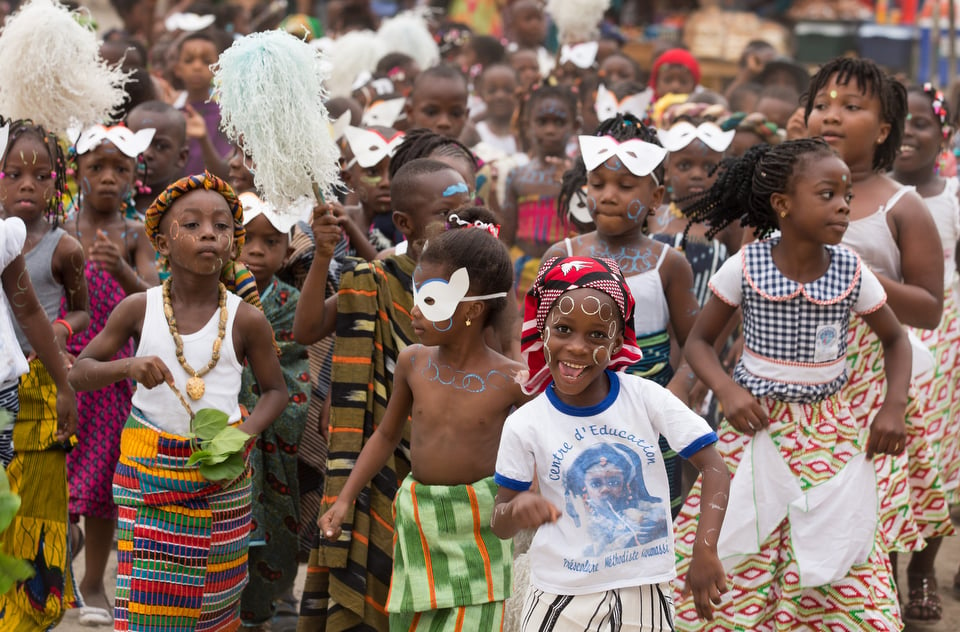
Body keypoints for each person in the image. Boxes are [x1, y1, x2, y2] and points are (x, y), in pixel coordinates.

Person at [671, 138, 911, 630]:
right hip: (754, 426)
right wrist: (728, 391)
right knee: (746, 544)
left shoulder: (850, 271)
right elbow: (700, 343)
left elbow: (896, 340)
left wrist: (894, 405)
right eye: (828, 193)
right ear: (782, 204)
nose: (844, 204)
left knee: (837, 544)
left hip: (830, 435)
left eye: (847, 195)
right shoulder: (747, 265)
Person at [68, 172, 287, 631]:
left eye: (222, 226)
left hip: (220, 485)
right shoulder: (138, 309)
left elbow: (275, 392)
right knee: (146, 605)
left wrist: (240, 435)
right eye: (191, 225)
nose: (209, 233)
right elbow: (81, 371)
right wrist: (128, 367)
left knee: (214, 608)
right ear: (162, 244)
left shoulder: (247, 320)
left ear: (232, 242)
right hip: (147, 484)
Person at [492, 256, 728, 630]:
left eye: (597, 335)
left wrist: (704, 549)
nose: (577, 347)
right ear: (543, 330)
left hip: (644, 593)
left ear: (617, 340)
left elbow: (715, 467)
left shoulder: (646, 398)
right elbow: (500, 522)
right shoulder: (525, 423)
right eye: (564, 329)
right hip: (559, 599)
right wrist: (516, 510)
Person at [295, 159, 473, 632]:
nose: (460, 222)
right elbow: (306, 328)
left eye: (466, 209)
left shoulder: (480, 285)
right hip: (378, 465)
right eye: (446, 212)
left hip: (451, 463)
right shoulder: (376, 277)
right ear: (405, 223)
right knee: (371, 578)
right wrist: (320, 257)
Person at [319, 226, 524, 629]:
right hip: (420, 523)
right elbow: (387, 435)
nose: (414, 310)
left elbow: (553, 442)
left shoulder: (512, 381)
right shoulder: (414, 362)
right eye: (416, 295)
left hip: (481, 528)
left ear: (471, 309)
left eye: (430, 299)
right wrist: (343, 499)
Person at [805, 57, 954, 590]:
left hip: (873, 381)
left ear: (884, 128)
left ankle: (878, 601)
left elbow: (928, 307)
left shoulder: (901, 205)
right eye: (821, 105)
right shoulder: (785, 196)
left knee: (871, 510)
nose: (831, 116)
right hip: (799, 377)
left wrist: (858, 277)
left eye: (851, 107)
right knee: (804, 505)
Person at [550, 114, 700, 516]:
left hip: (649, 415)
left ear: (655, 197)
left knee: (649, 510)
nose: (609, 195)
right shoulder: (563, 257)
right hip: (576, 406)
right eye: (598, 184)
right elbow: (535, 339)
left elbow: (696, 344)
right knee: (582, 506)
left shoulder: (668, 264)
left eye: (625, 186)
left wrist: (678, 391)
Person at [63, 123, 160, 626]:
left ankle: (93, 578)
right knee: (54, 474)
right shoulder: (59, 228)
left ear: (133, 176)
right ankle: (56, 564)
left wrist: (122, 269)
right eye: (96, 167)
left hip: (108, 375)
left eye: (119, 169)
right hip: (57, 367)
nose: (107, 178)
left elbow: (156, 297)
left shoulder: (135, 233)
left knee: (102, 484)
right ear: (76, 171)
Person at [0, 120, 86, 632]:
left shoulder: (61, 247)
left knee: (30, 508)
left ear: (58, 183)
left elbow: (43, 309)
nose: (27, 185)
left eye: (41, 176)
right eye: (14, 174)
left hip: (26, 388)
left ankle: (30, 608)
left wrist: (60, 380)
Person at [890, 82, 960, 622]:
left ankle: (922, 570)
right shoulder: (870, 194)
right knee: (890, 456)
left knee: (933, 459)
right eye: (901, 123)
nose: (910, 133)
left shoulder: (952, 200)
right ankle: (881, 571)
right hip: (889, 336)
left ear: (946, 134)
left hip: (946, 346)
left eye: (922, 124)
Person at [235, 192, 311, 629]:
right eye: (247, 238)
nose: (258, 250)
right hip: (219, 431)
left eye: (271, 240)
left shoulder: (287, 303)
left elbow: (292, 373)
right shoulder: (208, 295)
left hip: (269, 437)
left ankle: (261, 613)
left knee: (272, 541)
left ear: (287, 249)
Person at [503, 85, 578, 299]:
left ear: (575, 126)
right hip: (522, 271)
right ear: (528, 126)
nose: (550, 130)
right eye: (542, 122)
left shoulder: (581, 174)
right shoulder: (517, 175)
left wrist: (576, 183)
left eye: (559, 122)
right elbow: (507, 234)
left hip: (568, 271)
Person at [174, 31, 231, 178]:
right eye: (189, 60)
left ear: (217, 68)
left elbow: (225, 172)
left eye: (206, 61)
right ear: (177, 68)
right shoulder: (171, 112)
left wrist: (203, 139)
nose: (197, 67)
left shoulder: (225, 116)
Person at [125, 100, 189, 214]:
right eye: (137, 142)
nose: (146, 153)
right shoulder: (105, 206)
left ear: (181, 157)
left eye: (160, 146)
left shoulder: (185, 213)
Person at [403, 64, 470, 141]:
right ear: (410, 112)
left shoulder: (475, 152)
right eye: (431, 112)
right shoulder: (394, 152)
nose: (444, 123)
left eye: (456, 114)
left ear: (466, 116)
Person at [473, 64, 520, 157]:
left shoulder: (525, 135)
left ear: (519, 92)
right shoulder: (477, 133)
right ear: (481, 94)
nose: (500, 96)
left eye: (508, 90)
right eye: (492, 91)